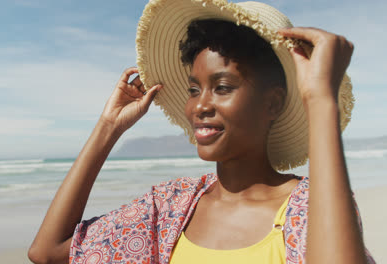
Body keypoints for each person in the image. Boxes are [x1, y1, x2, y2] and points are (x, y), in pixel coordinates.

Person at [28, 0, 376, 263]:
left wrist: (320, 100)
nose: (199, 106)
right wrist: (108, 127)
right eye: (194, 90)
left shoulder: (309, 207)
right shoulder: (170, 208)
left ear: (272, 104)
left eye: (222, 87)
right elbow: (49, 251)